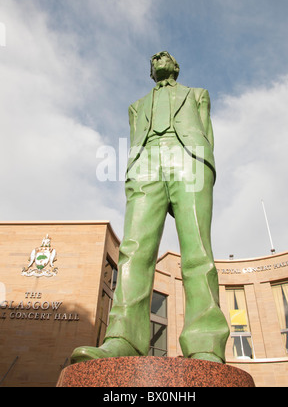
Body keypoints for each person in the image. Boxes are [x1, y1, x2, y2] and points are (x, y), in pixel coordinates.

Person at [71, 51, 229, 364]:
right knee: (134, 250)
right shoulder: (136, 107)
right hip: (146, 165)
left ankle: (206, 343)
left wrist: (203, 168)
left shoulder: (197, 95)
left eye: (164, 56)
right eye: (153, 59)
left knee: (198, 251)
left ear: (177, 66)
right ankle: (123, 338)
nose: (157, 59)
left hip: (190, 162)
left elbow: (206, 134)